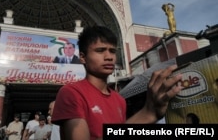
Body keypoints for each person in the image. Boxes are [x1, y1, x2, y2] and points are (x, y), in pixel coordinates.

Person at [52, 26, 183, 140]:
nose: (109, 57)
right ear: (82, 57)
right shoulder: (71, 93)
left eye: (112, 51)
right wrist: (147, 114)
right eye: (100, 50)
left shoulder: (119, 99)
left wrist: (150, 117)